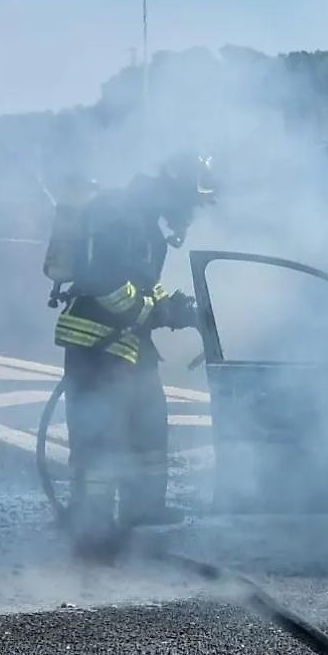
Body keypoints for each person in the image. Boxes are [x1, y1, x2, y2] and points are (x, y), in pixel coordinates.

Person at [52, 154, 205, 557]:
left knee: (149, 429)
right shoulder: (119, 216)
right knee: (99, 439)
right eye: (188, 204)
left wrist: (172, 308)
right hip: (97, 347)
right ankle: (92, 526)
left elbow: (140, 284)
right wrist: (155, 313)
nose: (187, 216)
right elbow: (103, 283)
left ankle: (143, 507)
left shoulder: (144, 221)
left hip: (128, 346)